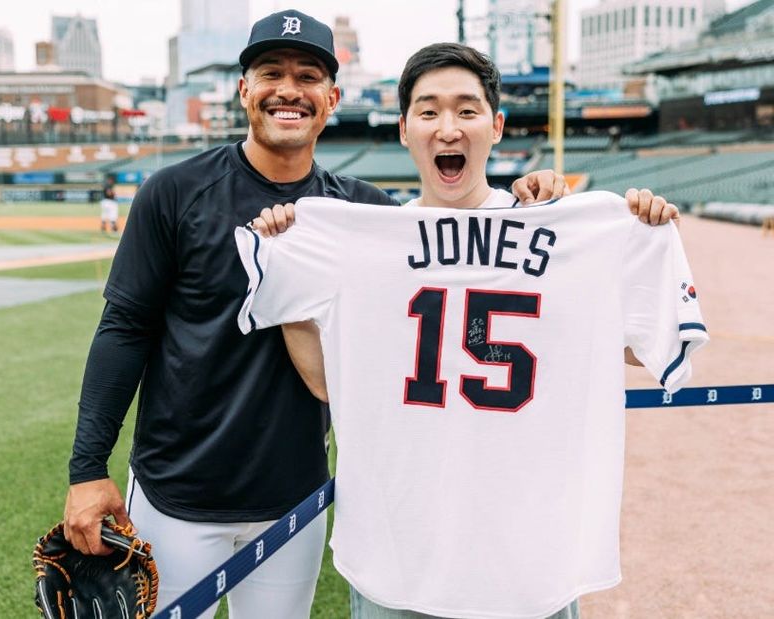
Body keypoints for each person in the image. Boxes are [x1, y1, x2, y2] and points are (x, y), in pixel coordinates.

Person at [61, 12, 573, 618]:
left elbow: (462, 267)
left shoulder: (366, 213)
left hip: (295, 499)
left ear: (330, 98)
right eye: (271, 72)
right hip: (177, 495)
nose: (289, 89)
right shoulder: (175, 192)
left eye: (308, 75)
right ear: (244, 89)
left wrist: (530, 202)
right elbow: (124, 331)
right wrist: (87, 469)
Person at [247, 43, 693, 619]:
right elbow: (325, 382)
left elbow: (636, 350)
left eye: (467, 109)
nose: (448, 128)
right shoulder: (368, 244)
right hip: (401, 557)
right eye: (429, 112)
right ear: (404, 128)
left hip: (527, 563)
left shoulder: (558, 230)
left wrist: (639, 236)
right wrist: (291, 277)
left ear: (497, 125)